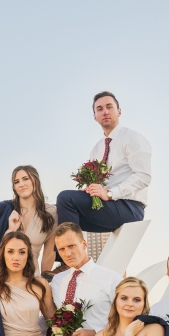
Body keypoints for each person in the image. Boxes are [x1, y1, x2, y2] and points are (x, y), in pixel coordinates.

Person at [55, 91, 150, 237]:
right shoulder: (96, 149)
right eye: (99, 109)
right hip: (106, 207)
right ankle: (65, 257)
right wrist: (90, 190)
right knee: (57, 213)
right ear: (95, 117)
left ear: (119, 111)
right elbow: (101, 185)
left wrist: (111, 193)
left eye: (109, 107)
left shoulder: (132, 138)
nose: (105, 112)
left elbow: (143, 176)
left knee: (66, 198)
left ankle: (68, 258)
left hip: (130, 207)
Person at [0, 166, 58, 282]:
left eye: (25, 179)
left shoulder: (51, 212)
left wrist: (45, 280)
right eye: (16, 182)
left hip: (30, 270)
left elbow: (49, 252)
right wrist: (11, 229)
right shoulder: (5, 210)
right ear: (14, 187)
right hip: (1, 267)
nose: (21, 184)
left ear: (35, 181)